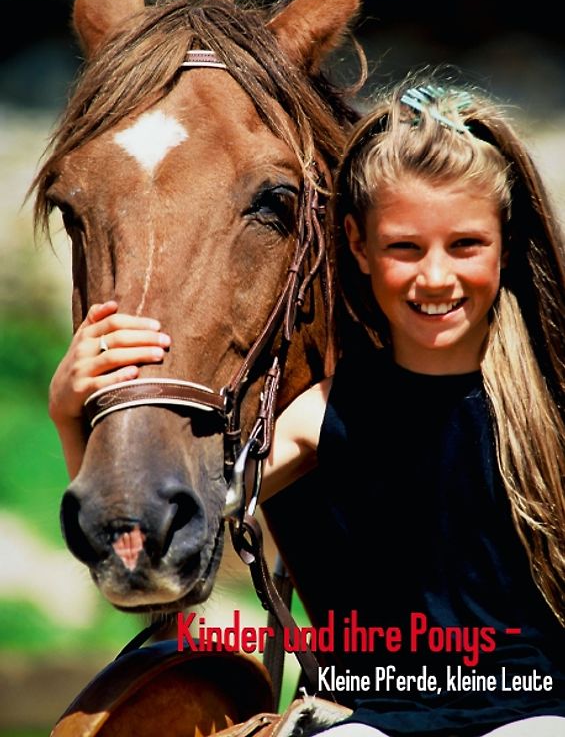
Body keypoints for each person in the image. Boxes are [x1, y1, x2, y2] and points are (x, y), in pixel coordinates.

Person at [48, 74, 565, 736]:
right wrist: (72, 413)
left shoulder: (543, 407)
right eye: (403, 248)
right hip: (372, 720)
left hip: (532, 710)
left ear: (503, 240)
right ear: (357, 246)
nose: (435, 276)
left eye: (464, 245)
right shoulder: (323, 416)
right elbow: (149, 537)